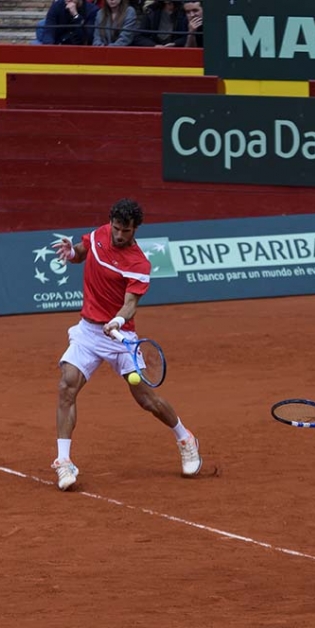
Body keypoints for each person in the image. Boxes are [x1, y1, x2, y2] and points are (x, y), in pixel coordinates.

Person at [50, 198, 202, 491]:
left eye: (127, 231)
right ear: (112, 223)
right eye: (117, 229)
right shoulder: (98, 234)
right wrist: (71, 254)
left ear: (136, 230)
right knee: (67, 385)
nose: (120, 236)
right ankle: (64, 461)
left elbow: (130, 304)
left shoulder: (139, 263)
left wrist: (118, 322)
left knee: (146, 399)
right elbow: (83, 252)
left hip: (120, 338)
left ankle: (185, 438)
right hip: (88, 332)